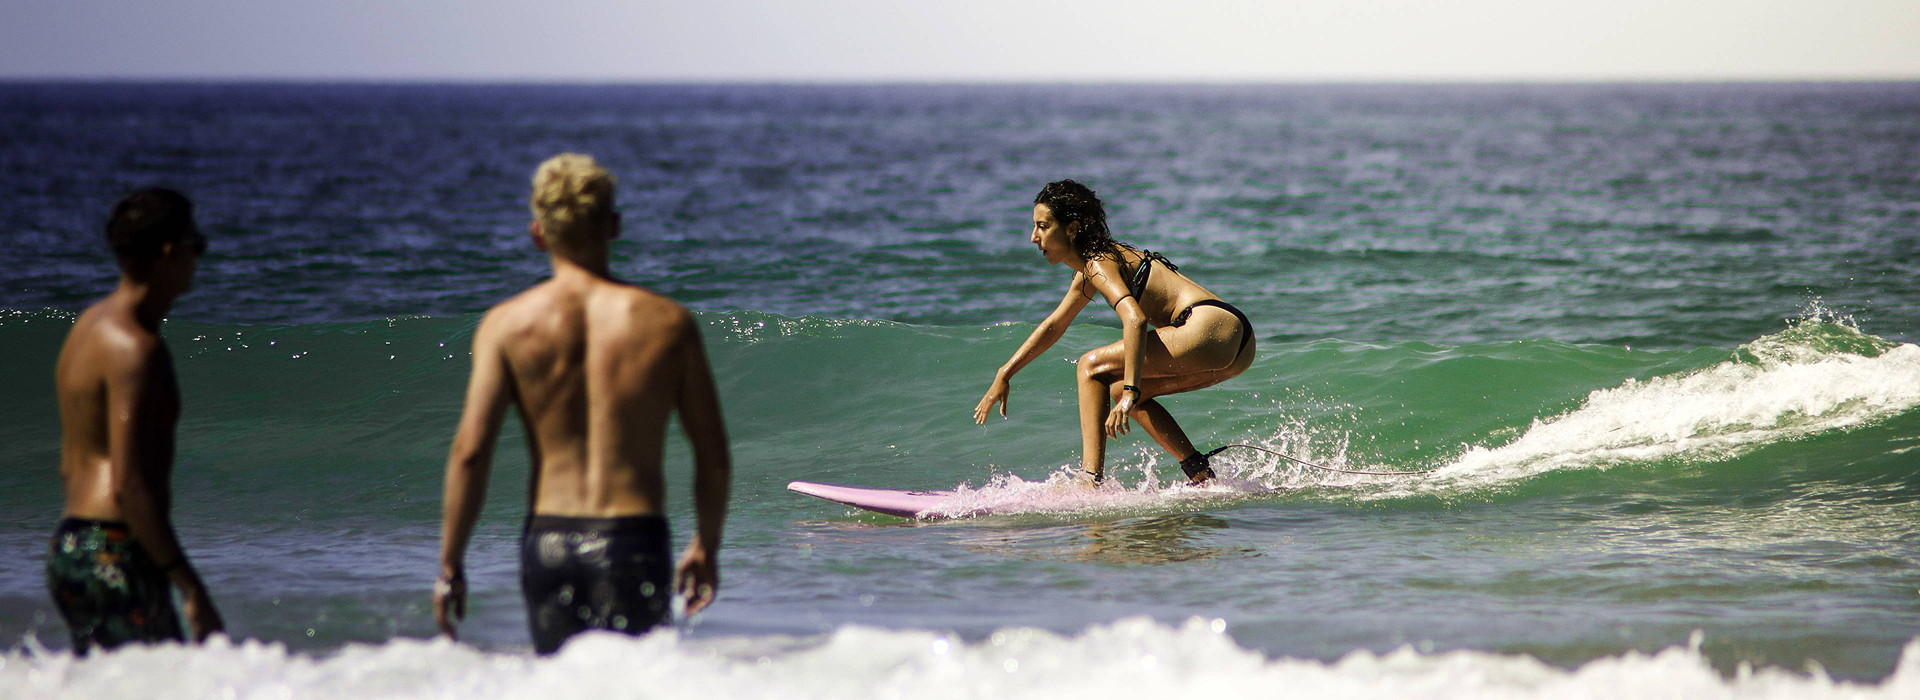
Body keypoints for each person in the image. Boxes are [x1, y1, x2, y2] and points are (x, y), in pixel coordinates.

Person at [434, 153, 731, 655]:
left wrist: (450, 564)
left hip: (550, 544)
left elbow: (470, 451)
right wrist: (706, 545)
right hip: (633, 541)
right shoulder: (666, 323)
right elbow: (711, 450)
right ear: (613, 225)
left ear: (537, 233)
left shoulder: (506, 326)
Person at [973, 179, 1256, 485]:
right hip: (1236, 342)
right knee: (1119, 391)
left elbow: (1134, 318)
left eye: (1043, 226)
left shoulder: (1099, 263)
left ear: (1071, 229)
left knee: (1091, 367)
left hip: (1204, 326)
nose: (1033, 237)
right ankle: (1199, 473)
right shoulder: (1095, 266)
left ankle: (1089, 480)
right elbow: (1054, 325)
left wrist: (1132, 391)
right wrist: (1005, 372)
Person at [47, 188, 223, 653]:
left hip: (69, 547)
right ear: (170, 252)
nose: (198, 256)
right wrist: (189, 585)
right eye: (196, 243)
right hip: (115, 548)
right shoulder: (135, 349)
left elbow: (71, 466)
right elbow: (129, 484)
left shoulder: (87, 326)